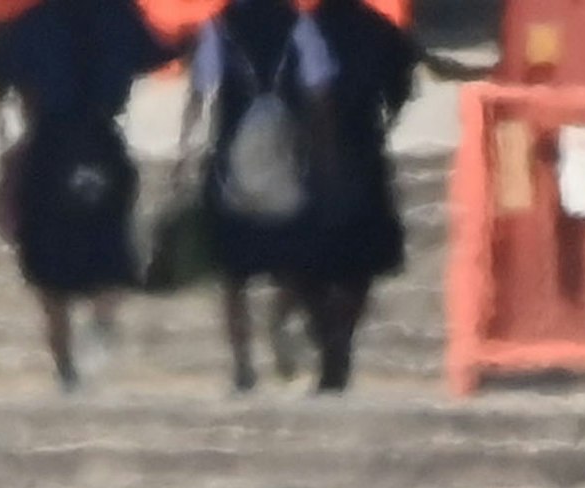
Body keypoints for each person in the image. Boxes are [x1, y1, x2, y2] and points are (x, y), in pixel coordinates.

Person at [0, 0, 174, 392]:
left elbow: (6, 79)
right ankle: (102, 322)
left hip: (49, 146)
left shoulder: (35, 22)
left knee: (47, 265)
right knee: (110, 249)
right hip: (101, 141)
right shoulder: (119, 16)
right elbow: (155, 54)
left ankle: (66, 366)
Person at [186, 0, 338, 395]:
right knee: (295, 263)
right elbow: (319, 93)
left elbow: (202, 93)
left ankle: (242, 367)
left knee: (233, 277)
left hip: (230, 169)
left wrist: (184, 153)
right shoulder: (300, 27)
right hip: (287, 166)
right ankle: (279, 320)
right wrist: (324, 157)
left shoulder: (219, 28)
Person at [295, 0, 446, 394]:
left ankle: (330, 338)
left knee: (302, 258)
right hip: (363, 148)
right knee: (359, 261)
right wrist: (385, 120)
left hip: (307, 155)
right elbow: (402, 86)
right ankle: (340, 336)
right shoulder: (379, 29)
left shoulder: (305, 28)